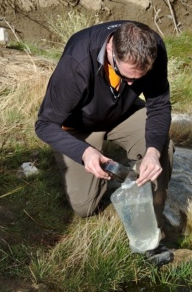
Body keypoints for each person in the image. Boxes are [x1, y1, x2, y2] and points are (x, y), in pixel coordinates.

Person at [35, 20, 175, 264]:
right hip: (78, 126)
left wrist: (152, 151)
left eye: (138, 79)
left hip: (123, 113)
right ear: (111, 50)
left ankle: (152, 237)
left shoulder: (154, 48)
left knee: (162, 148)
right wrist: (84, 152)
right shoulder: (77, 62)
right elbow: (44, 125)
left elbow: (159, 104)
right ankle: (112, 173)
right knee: (85, 207)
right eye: (126, 76)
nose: (132, 84)